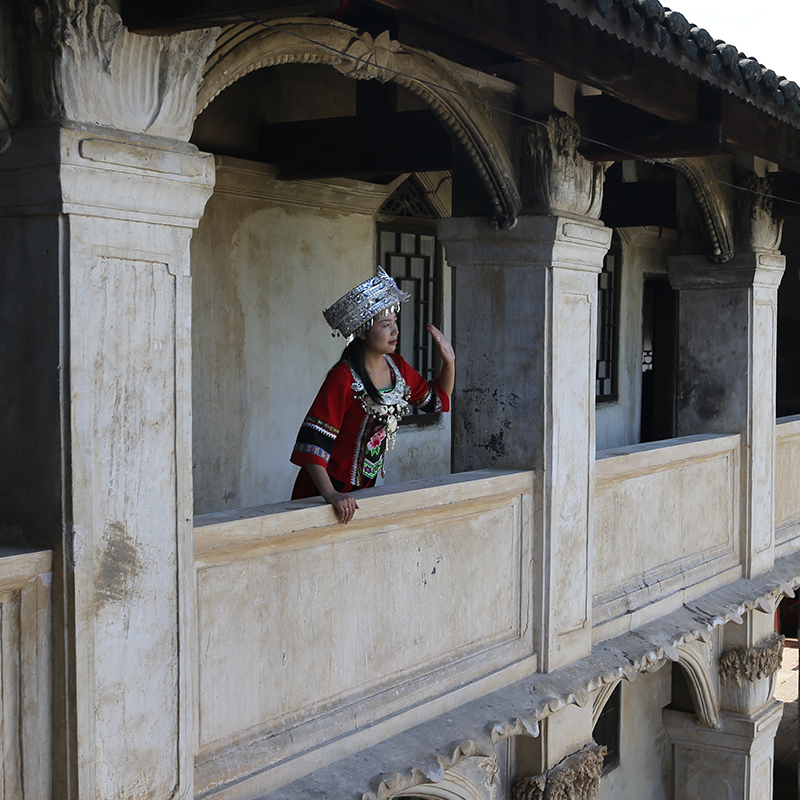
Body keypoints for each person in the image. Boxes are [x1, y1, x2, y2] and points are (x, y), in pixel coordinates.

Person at [291, 266, 455, 523]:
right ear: (363, 331)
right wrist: (331, 495)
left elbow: (435, 401)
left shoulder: (397, 368)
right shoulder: (343, 377)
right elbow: (314, 444)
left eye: (395, 323)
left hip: (365, 490)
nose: (395, 331)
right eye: (386, 325)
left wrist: (449, 363)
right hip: (326, 491)